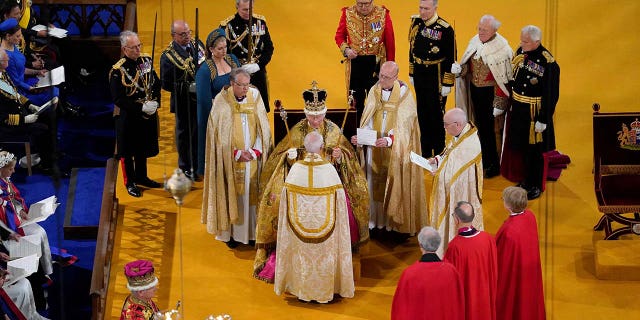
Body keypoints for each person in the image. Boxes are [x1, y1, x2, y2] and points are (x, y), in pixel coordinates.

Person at [254, 82, 369, 282]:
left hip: (329, 184)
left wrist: (341, 156)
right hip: (301, 185)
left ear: (324, 114)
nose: (315, 120)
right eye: (311, 116)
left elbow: (350, 157)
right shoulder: (297, 131)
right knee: (279, 200)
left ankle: (339, 249)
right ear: (306, 114)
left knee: (347, 206)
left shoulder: (334, 130)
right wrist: (289, 158)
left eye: (319, 116)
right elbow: (279, 157)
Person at [274, 131, 354, 303]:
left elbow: (285, 200)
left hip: (299, 231)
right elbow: (340, 203)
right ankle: (324, 292)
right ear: (322, 147)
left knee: (303, 257)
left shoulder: (295, 170)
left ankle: (302, 290)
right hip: (326, 234)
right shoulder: (329, 170)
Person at [351, 61, 426, 235]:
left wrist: (390, 140)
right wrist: (362, 138)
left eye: (386, 77)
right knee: (373, 182)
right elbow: (367, 118)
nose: (381, 80)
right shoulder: (374, 90)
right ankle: (374, 221)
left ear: (395, 77)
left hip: (394, 151)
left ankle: (392, 223)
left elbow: (406, 127)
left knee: (392, 183)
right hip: (374, 148)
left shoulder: (405, 96)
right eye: (380, 75)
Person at [201, 68, 271, 248]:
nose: (246, 89)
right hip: (231, 160)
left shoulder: (255, 96)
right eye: (242, 86)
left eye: (248, 85)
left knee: (252, 195)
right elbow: (217, 134)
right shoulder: (222, 100)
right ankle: (231, 234)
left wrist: (256, 150)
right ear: (232, 84)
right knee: (234, 195)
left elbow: (263, 126)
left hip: (254, 158)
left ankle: (253, 234)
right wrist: (236, 153)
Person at [501, 25, 560, 200]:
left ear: (537, 41)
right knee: (521, 147)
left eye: (526, 41)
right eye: (521, 39)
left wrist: (544, 118)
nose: (521, 43)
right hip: (519, 108)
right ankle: (525, 180)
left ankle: (535, 184)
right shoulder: (521, 52)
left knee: (535, 150)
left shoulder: (548, 63)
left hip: (535, 113)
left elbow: (551, 94)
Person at [453, 14, 513, 178]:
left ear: (494, 30)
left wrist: (499, 103)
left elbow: (505, 79)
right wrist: (460, 70)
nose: (480, 32)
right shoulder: (475, 41)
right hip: (475, 92)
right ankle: (480, 158)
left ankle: (493, 164)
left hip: (491, 96)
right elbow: (468, 67)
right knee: (477, 126)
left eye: (484, 30)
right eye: (479, 28)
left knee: (492, 131)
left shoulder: (503, 49)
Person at [109, 31, 162, 198]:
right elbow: (118, 99)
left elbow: (155, 83)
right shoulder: (118, 71)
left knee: (143, 146)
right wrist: (140, 108)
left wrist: (155, 102)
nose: (138, 50)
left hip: (147, 115)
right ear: (125, 49)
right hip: (129, 117)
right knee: (128, 151)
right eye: (134, 47)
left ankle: (142, 176)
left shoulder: (145, 61)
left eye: (139, 45)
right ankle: (130, 181)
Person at [427, 108, 483, 257]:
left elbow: (455, 174)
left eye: (446, 124)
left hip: (460, 195)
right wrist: (438, 160)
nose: (444, 128)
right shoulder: (461, 134)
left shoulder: (470, 145)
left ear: (457, 124)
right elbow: (450, 153)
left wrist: (438, 172)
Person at [408, 0, 455, 157]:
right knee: (422, 111)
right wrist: (412, 72)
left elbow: (451, 57)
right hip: (421, 73)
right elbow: (412, 49)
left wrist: (448, 81)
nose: (422, 11)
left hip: (436, 74)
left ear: (435, 8)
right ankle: (426, 149)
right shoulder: (416, 23)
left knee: (436, 113)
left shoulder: (445, 28)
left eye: (426, 8)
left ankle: (439, 149)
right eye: (421, 8)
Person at [160, 20, 205, 181]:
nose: (187, 36)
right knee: (185, 134)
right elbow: (166, 84)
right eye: (183, 34)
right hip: (183, 101)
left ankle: (199, 162)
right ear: (174, 36)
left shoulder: (197, 44)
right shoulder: (167, 56)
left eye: (189, 32)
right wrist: (187, 87)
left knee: (199, 131)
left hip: (201, 98)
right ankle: (186, 166)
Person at [334, 0, 395, 120]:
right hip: (355, 64)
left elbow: (390, 41)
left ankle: (377, 134)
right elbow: (339, 36)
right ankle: (358, 133)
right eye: (360, 4)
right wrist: (346, 50)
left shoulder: (382, 13)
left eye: (367, 3)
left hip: (376, 64)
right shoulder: (347, 13)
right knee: (356, 101)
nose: (363, 7)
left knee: (378, 100)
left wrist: (391, 64)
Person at [0, 151, 54, 281]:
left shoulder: (5, 179)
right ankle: (40, 272)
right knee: (36, 236)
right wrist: (9, 232)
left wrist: (21, 210)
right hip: (7, 226)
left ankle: (47, 269)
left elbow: (14, 198)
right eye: (10, 169)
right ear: (1, 169)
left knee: (41, 232)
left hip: (15, 217)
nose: (13, 172)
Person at [390, 226, 464, 320]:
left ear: (420, 246)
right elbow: (459, 305)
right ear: (438, 245)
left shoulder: (409, 274)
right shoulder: (452, 272)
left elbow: (400, 310)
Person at [195, 28, 240, 178]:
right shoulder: (205, 70)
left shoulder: (232, 59)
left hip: (236, 108)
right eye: (220, 48)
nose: (223, 51)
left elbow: (240, 80)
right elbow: (204, 100)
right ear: (211, 49)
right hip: (218, 115)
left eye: (225, 47)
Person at [495, 186, 546, 320]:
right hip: (530, 268)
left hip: (516, 270)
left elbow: (502, 257)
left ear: (508, 206)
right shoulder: (530, 216)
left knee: (514, 297)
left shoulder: (509, 231)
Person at [0, 48, 53, 171]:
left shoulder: (3, 75)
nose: (8, 58)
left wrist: (29, 104)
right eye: (5, 58)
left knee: (48, 116)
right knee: (42, 129)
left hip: (19, 112)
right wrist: (25, 119)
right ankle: (47, 165)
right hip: (9, 126)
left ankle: (50, 153)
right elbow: (2, 118)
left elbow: (15, 94)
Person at [444, 201, 498, 320]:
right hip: (485, 295)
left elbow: (449, 279)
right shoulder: (488, 238)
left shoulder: (455, 246)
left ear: (457, 220)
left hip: (468, 299)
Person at [220, 0, 274, 112]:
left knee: (260, 110)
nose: (248, 12)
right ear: (237, 7)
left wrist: (258, 65)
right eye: (245, 9)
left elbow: (269, 48)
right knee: (238, 110)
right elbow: (221, 53)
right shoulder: (227, 26)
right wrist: (236, 68)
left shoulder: (260, 22)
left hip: (257, 74)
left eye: (251, 9)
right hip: (237, 76)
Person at [0, 18, 58, 107]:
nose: (20, 39)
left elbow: (21, 69)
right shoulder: (6, 56)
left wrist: (37, 72)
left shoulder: (13, 45)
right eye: (17, 36)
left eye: (20, 35)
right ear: (8, 36)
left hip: (25, 83)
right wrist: (31, 88)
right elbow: (15, 82)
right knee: (53, 92)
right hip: (19, 92)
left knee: (54, 85)